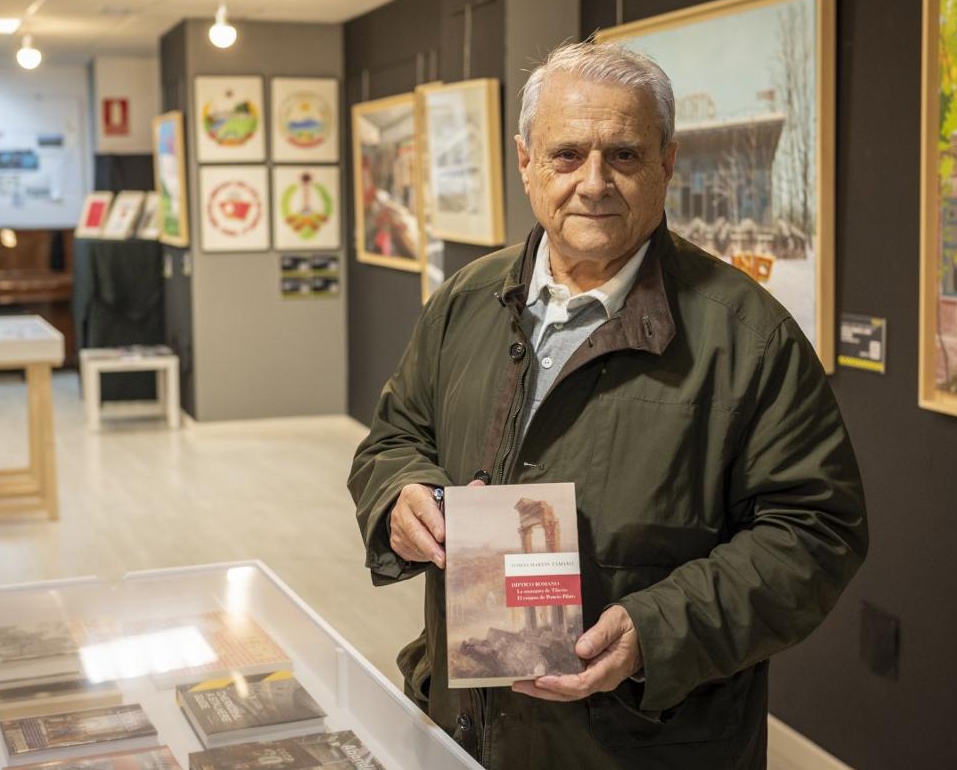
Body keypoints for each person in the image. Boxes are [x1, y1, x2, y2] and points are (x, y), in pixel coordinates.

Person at [347, 41, 868, 769]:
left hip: (644, 743)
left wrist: (655, 631)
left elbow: (816, 533)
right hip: (466, 722)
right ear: (526, 160)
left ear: (668, 163)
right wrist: (398, 491)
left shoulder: (749, 336)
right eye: (566, 155)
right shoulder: (464, 301)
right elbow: (394, 435)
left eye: (623, 155)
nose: (593, 183)